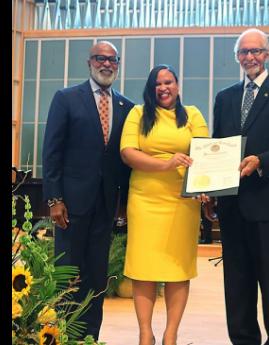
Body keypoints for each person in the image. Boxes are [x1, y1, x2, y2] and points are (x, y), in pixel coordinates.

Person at [204, 28, 269, 345]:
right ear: (237, 57)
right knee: (237, 282)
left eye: (256, 51)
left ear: (268, 53)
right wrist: (210, 189)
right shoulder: (224, 98)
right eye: (244, 52)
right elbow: (218, 148)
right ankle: (243, 340)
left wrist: (261, 161)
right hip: (232, 207)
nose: (250, 57)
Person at [42, 41, 135, 340]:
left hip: (106, 206)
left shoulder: (126, 106)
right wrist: (55, 199)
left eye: (112, 60)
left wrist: (123, 201)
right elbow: (52, 152)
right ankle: (65, 335)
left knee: (96, 278)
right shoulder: (66, 98)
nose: (106, 64)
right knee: (69, 275)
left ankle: (89, 337)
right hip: (70, 206)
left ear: (117, 65)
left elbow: (124, 160)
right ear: (89, 62)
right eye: (100, 58)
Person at [120, 64, 209, 345]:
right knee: (143, 267)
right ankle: (145, 332)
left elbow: (206, 155)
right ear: (151, 88)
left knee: (177, 268)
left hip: (183, 202)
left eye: (168, 82)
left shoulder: (193, 114)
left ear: (177, 85)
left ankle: (171, 335)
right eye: (158, 84)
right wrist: (165, 163)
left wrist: (207, 188)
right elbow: (127, 153)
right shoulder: (138, 113)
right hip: (145, 199)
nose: (163, 88)